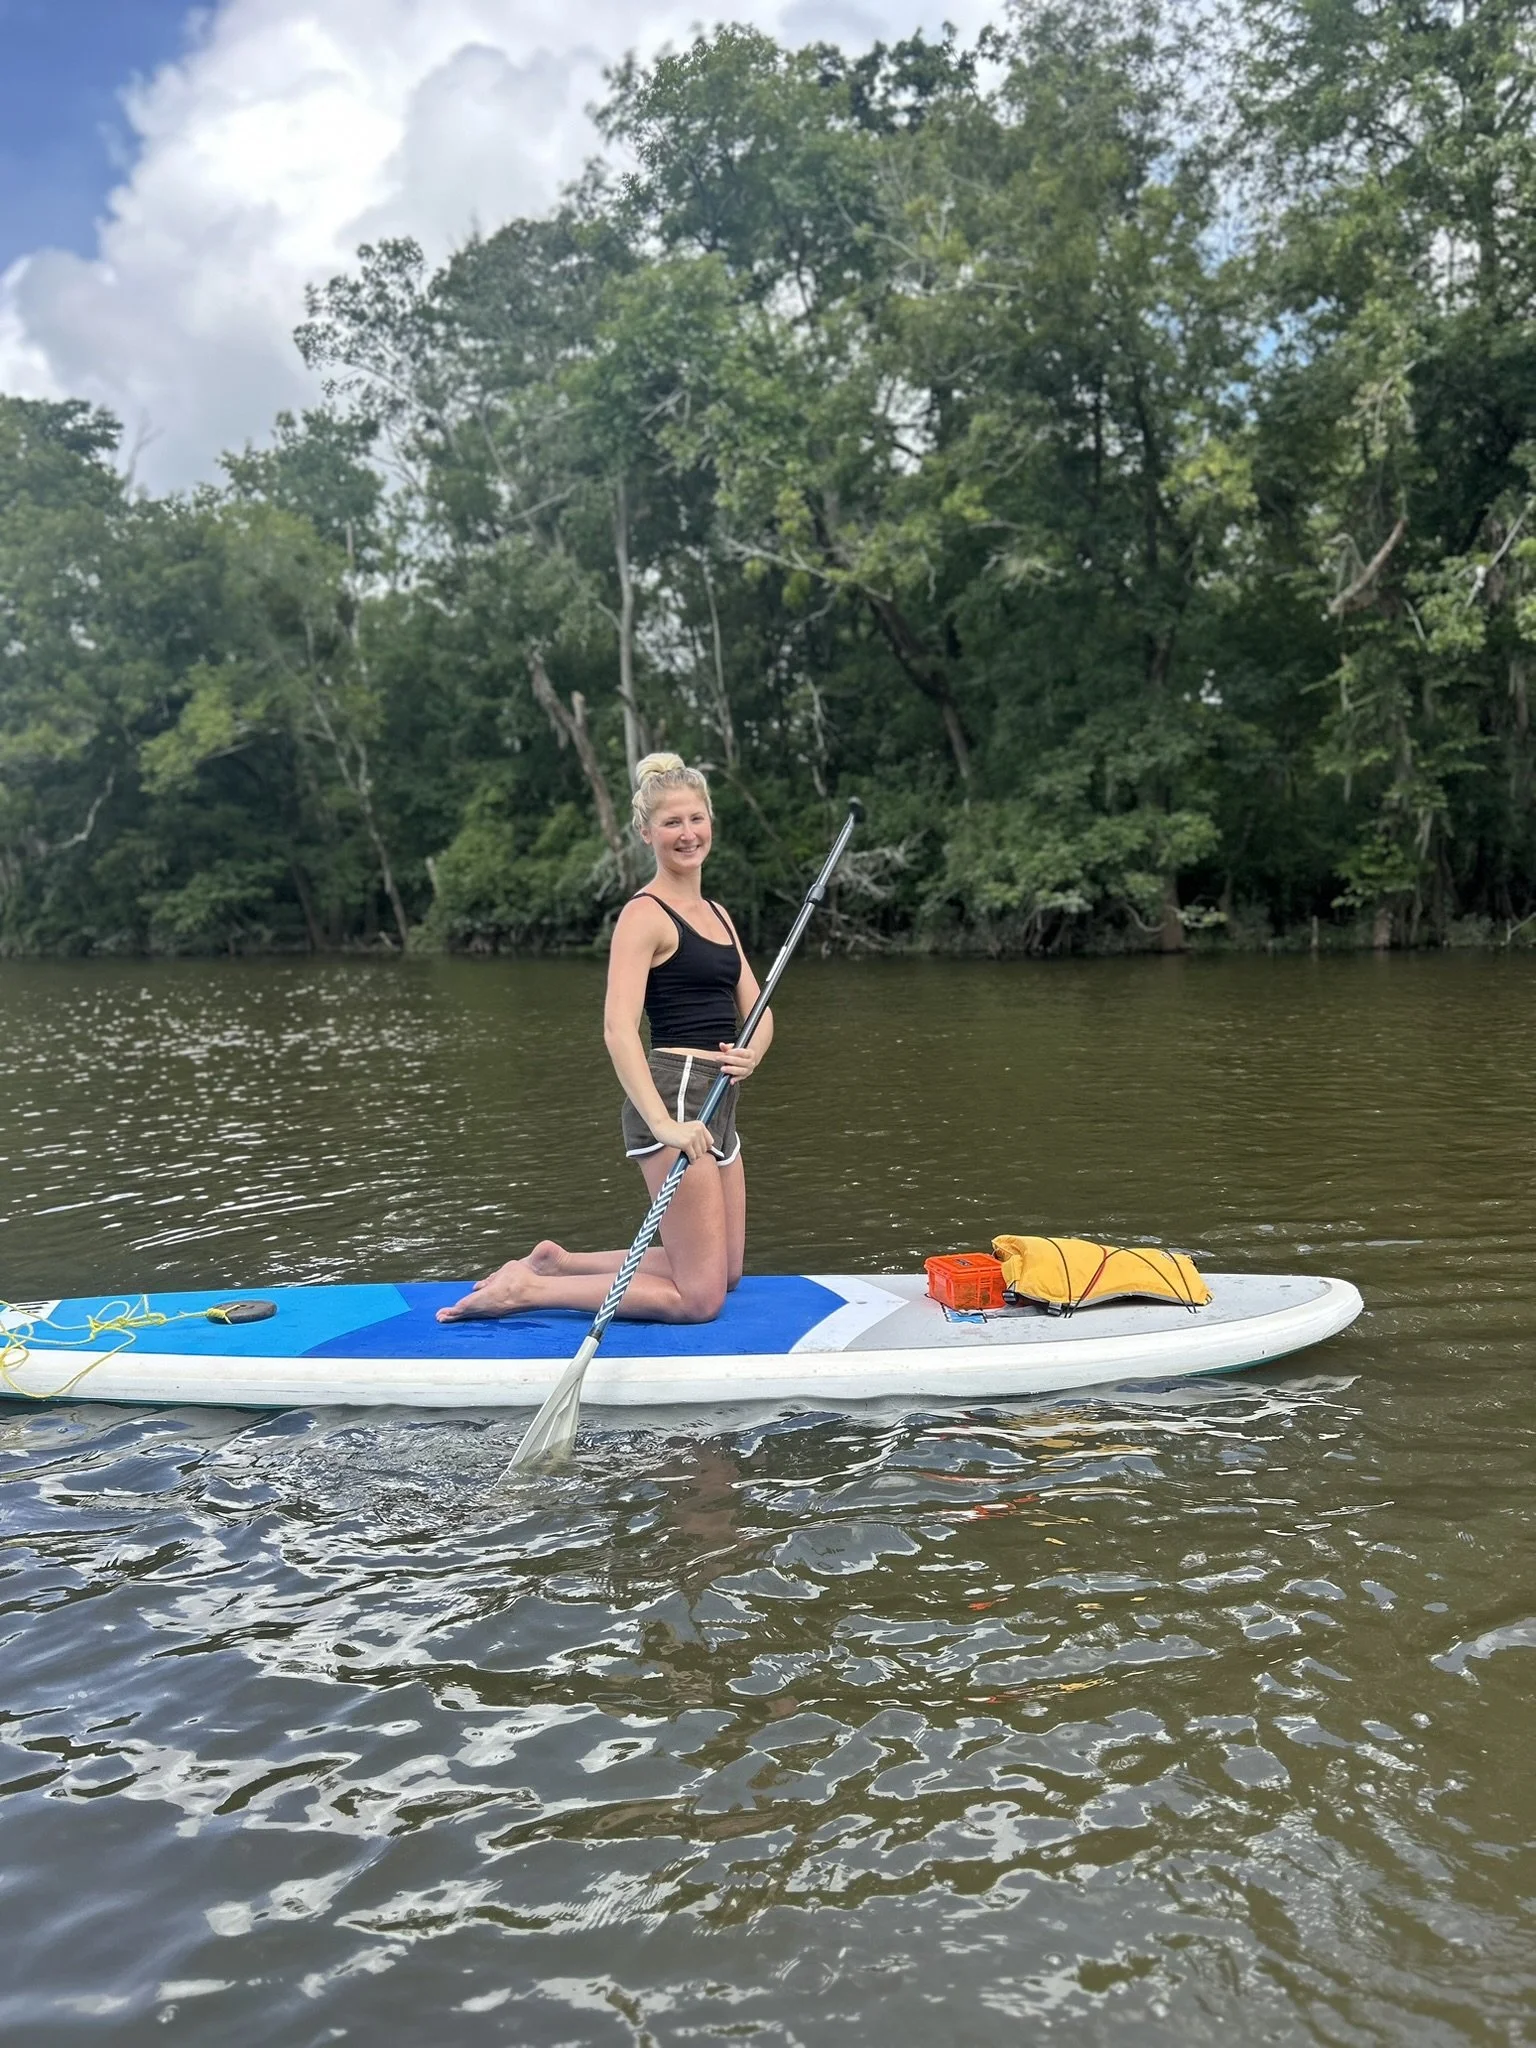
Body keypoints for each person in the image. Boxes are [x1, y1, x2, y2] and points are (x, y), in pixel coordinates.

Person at [436, 752, 767, 1323]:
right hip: (674, 1096)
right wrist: (662, 1124)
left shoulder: (718, 914)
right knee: (701, 1299)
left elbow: (759, 1009)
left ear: (710, 820)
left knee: (728, 1271)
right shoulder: (644, 914)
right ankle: (527, 1292)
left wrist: (752, 1051)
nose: (687, 833)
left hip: (720, 1098)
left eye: (696, 818)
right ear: (646, 832)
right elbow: (618, 1029)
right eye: (671, 822)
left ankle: (558, 1265)